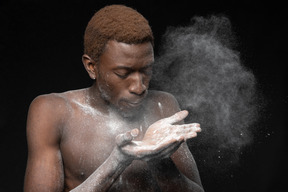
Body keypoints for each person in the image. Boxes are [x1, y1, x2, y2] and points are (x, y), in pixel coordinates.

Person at [24, 4, 204, 192]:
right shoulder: (52, 111)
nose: (139, 87)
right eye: (123, 73)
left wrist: (159, 161)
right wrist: (117, 161)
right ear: (91, 66)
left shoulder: (163, 106)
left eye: (146, 71)